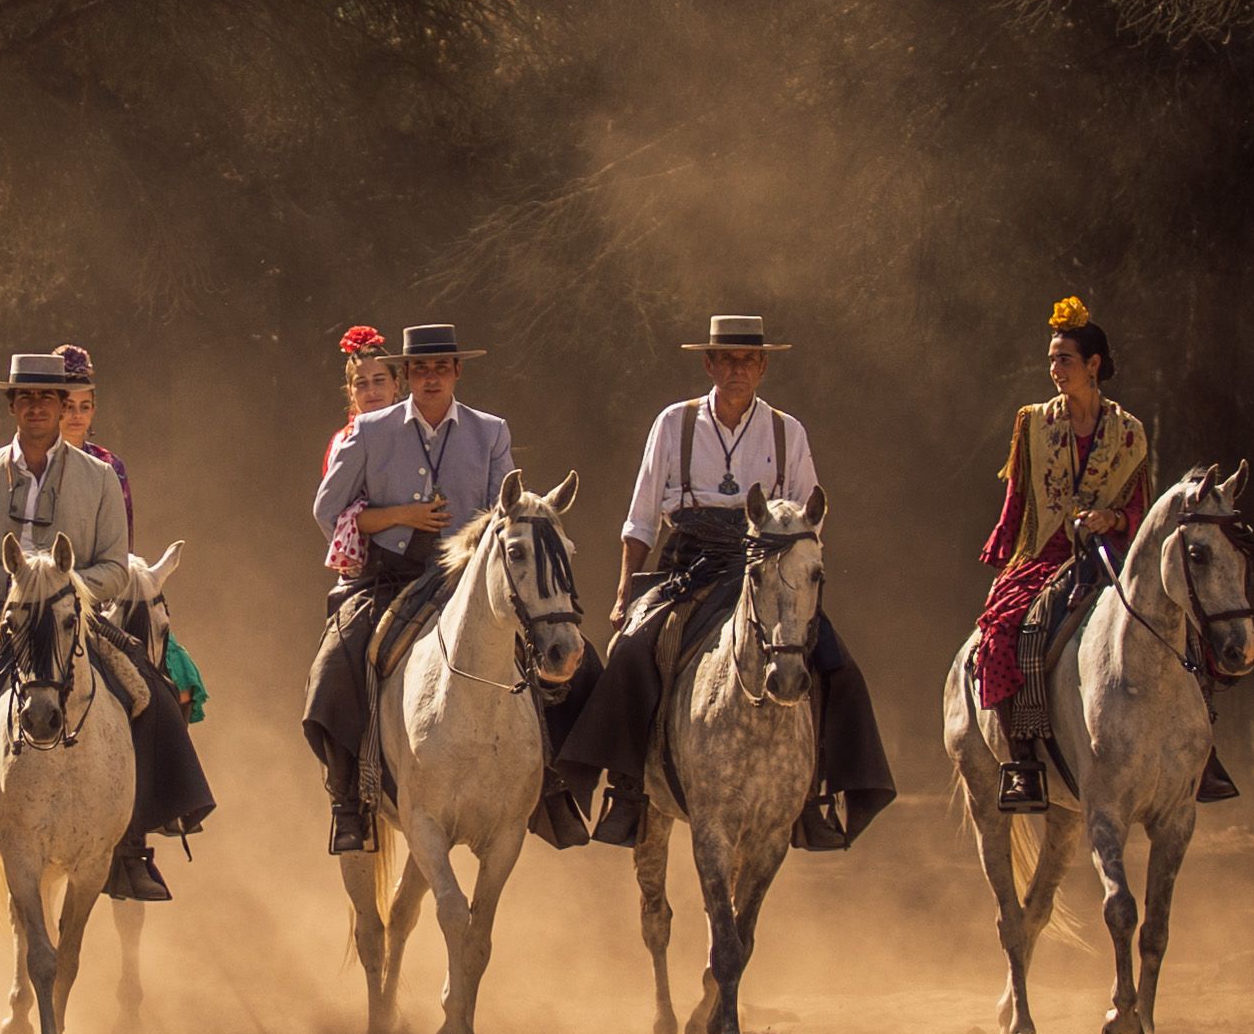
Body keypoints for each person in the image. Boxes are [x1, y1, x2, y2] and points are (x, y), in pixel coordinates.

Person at [0, 349, 215, 898]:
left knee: (148, 689)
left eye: (48, 398)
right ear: (12, 405)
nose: (37, 407)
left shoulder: (100, 478)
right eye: (26, 397)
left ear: (64, 406)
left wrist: (66, 590)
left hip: (70, 618)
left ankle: (132, 845)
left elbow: (115, 564)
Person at [559, 314, 893, 852]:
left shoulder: (789, 431)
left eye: (748, 360)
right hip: (690, 563)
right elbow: (641, 518)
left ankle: (816, 794)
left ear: (762, 367)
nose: (737, 369)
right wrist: (625, 593)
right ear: (709, 364)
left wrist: (788, 573)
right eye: (727, 360)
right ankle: (628, 791)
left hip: (767, 564)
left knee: (836, 664)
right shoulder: (674, 422)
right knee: (631, 649)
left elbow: (811, 520)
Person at [976, 299, 1233, 811]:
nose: (1054, 370)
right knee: (1005, 633)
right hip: (1047, 556)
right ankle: (1024, 761)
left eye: (1064, 359)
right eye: (1051, 360)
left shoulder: (1130, 432)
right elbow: (1020, 502)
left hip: (1115, 554)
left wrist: (1110, 521)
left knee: (1189, 626)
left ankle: (1200, 750)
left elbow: (1139, 510)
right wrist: (1009, 552)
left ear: (1093, 364)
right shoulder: (1031, 424)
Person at [305, 323, 516, 855]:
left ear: (457, 372)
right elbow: (329, 511)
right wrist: (402, 517)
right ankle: (347, 800)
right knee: (335, 667)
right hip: (388, 578)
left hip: (462, 580)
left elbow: (504, 513)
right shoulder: (370, 431)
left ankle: (551, 786)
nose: (431, 378)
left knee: (554, 650)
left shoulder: (490, 431)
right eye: (420, 369)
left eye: (441, 368)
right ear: (407, 375)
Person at [57, 342, 209, 897]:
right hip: (28, 604)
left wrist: (90, 591)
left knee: (151, 691)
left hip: (92, 604)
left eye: (84, 404)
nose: (75, 414)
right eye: (67, 403)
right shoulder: (15, 463)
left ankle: (137, 833)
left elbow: (116, 553)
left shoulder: (108, 466)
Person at [319, 324, 403, 580]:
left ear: (396, 385)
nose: (372, 392)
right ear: (351, 392)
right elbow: (328, 513)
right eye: (362, 384)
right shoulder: (345, 441)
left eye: (379, 381)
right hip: (369, 564)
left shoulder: (417, 432)